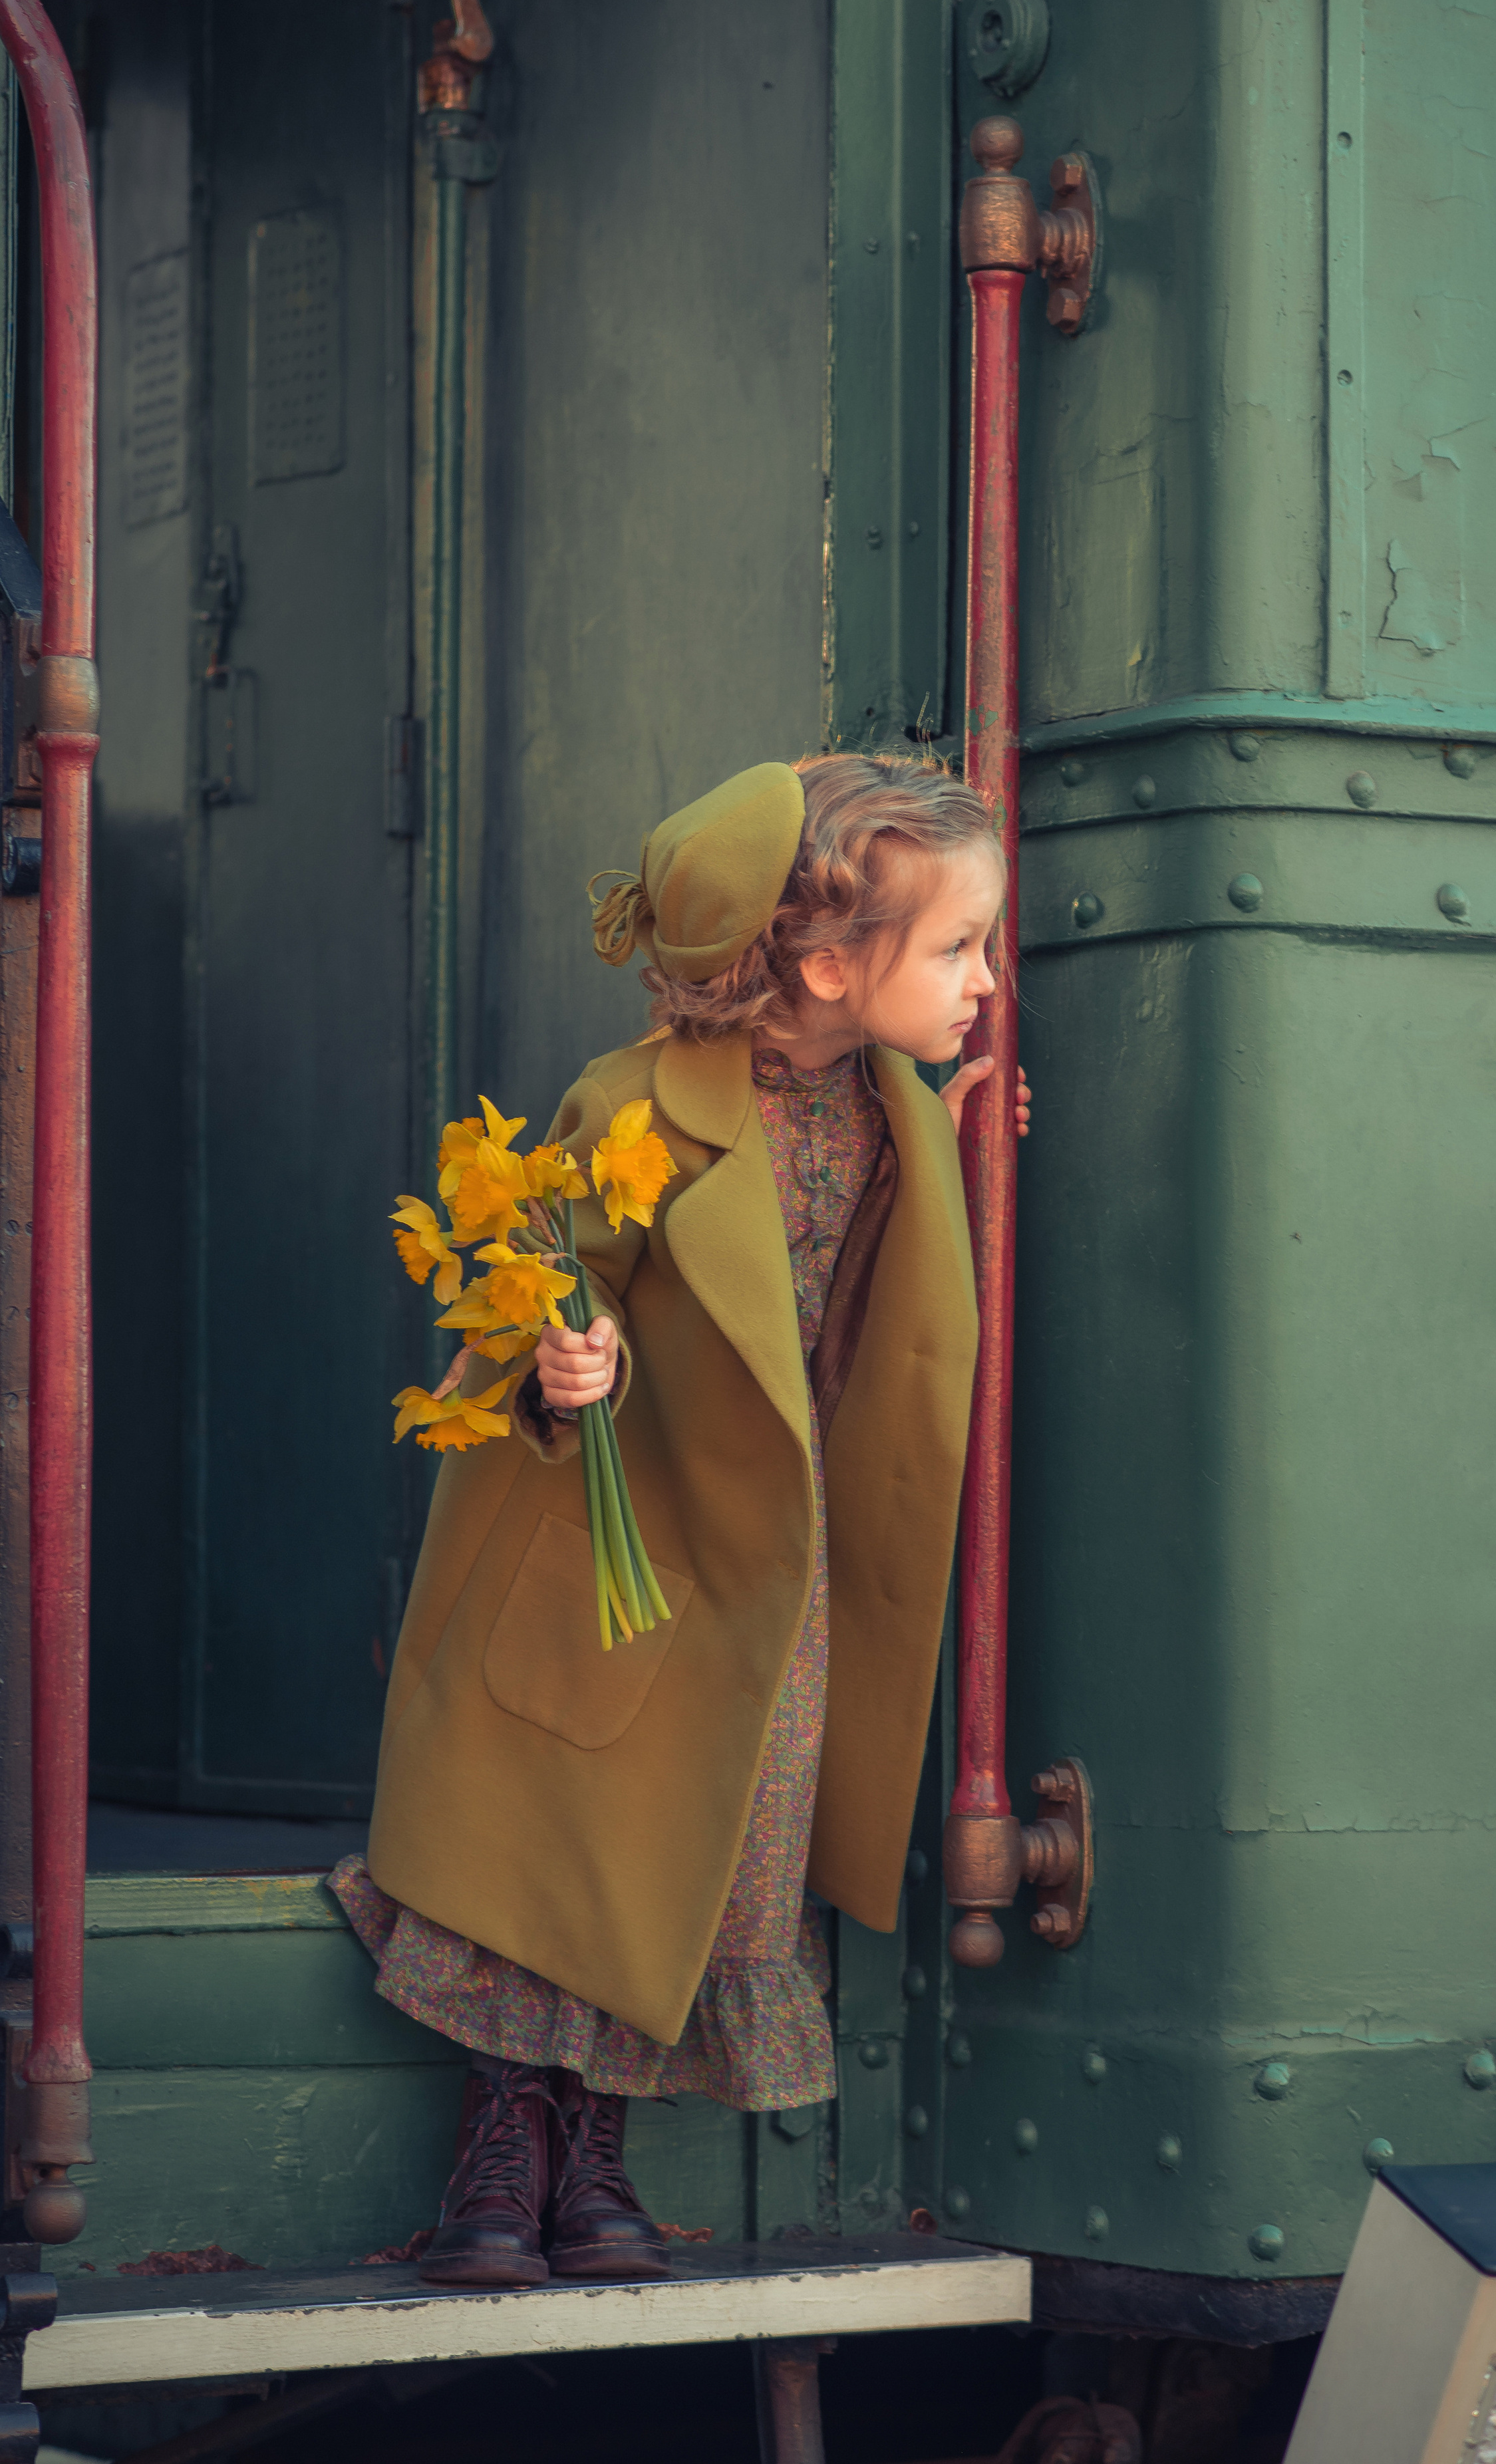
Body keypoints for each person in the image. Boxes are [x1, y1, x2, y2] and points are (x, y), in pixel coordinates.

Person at [331, 752, 1030, 2287]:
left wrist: (965, 1131)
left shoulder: (899, 1116)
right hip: (617, 1550)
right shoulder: (634, 1101)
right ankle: (505, 2138)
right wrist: (564, 1354)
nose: (986, 978)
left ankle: (598, 2160)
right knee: (560, 1841)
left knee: (707, 1853)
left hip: (772, 1578)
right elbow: (540, 1276)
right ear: (835, 964)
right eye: (960, 948)